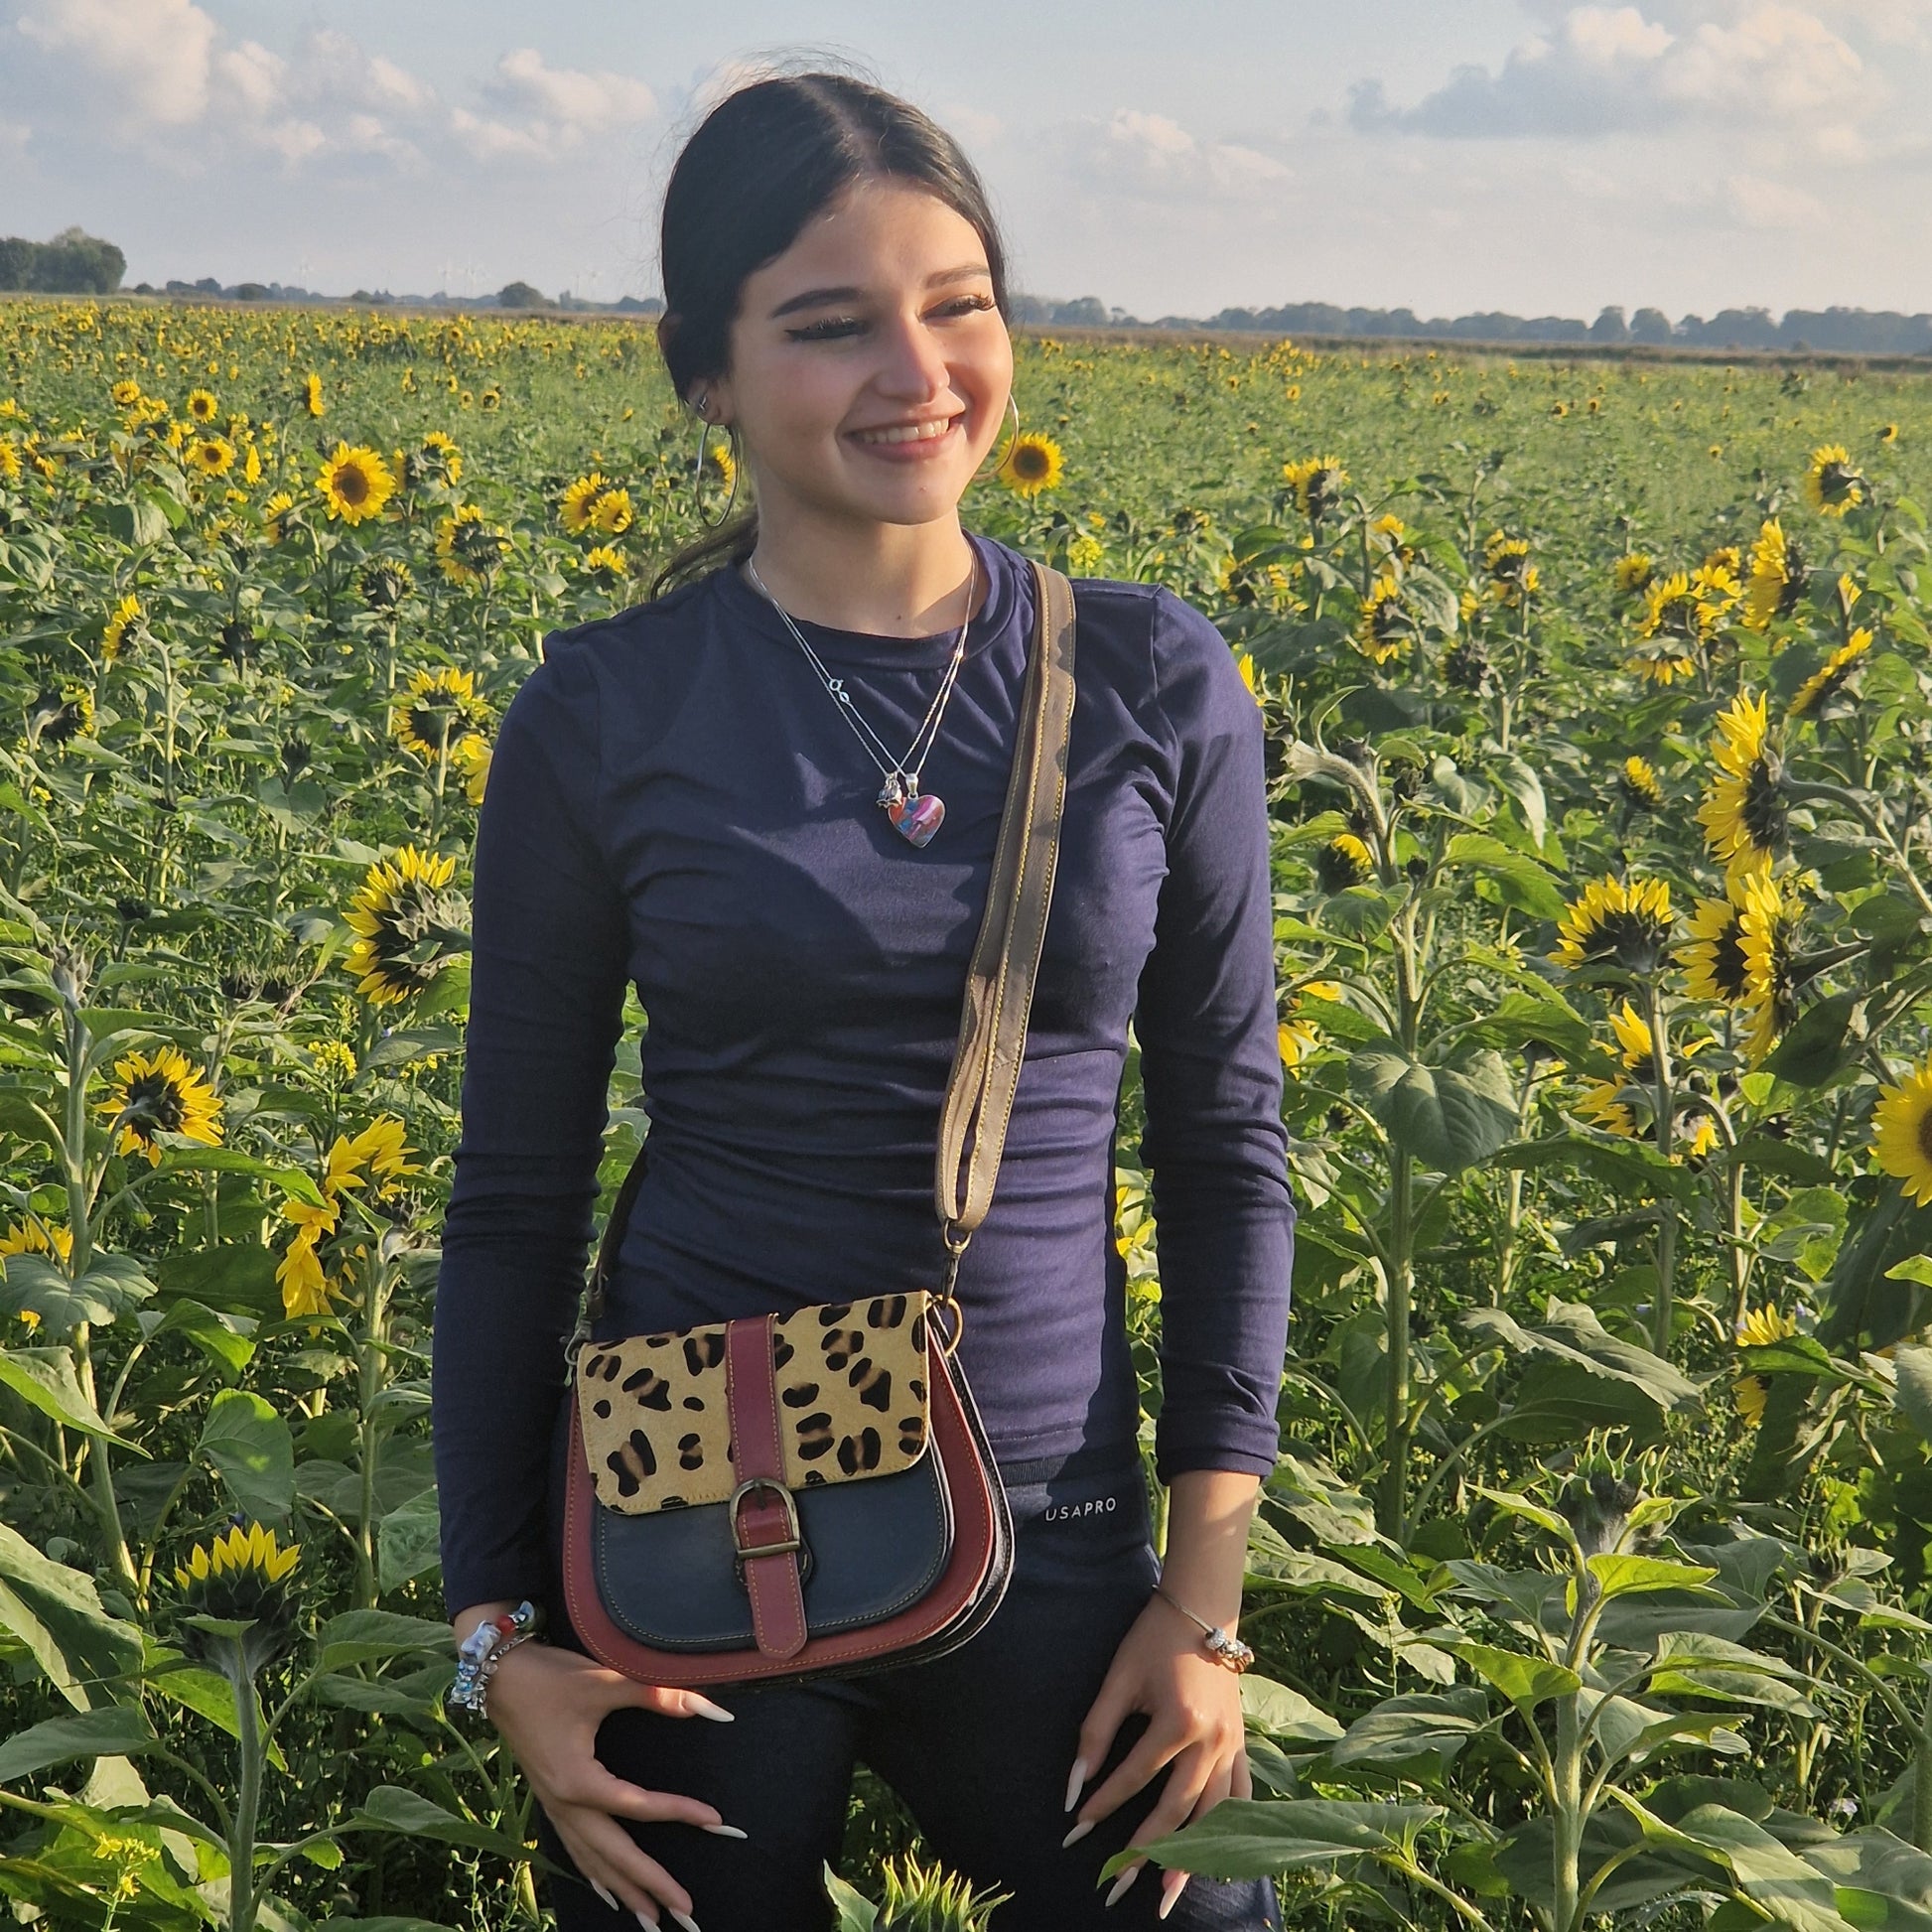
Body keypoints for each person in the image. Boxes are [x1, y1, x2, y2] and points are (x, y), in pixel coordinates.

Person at [431, 69, 1294, 1932]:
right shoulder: (604, 712)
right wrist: (500, 1630)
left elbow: (1230, 1141)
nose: (916, 371)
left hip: (1056, 1524)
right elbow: (514, 1193)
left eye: (955, 303)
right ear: (708, 374)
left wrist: (1201, 1601)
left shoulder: (1151, 675)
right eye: (829, 324)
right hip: (680, 1530)